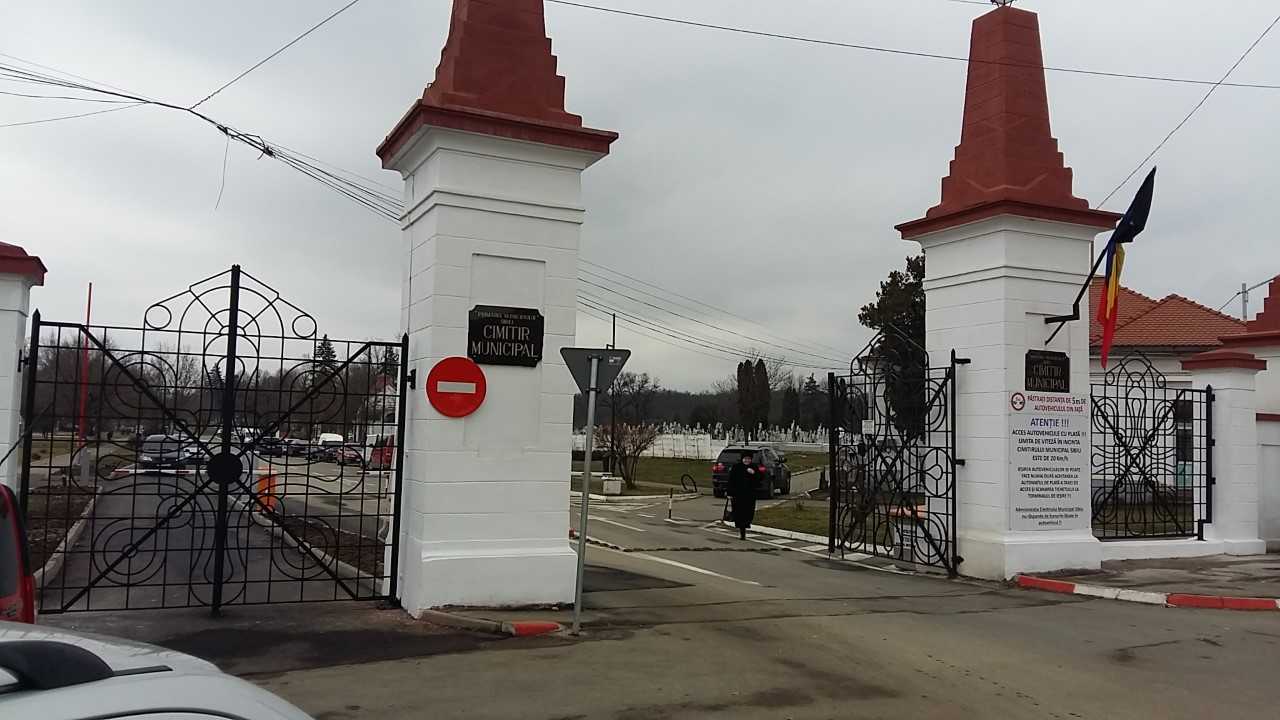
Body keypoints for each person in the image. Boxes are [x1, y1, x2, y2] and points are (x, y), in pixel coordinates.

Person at [727, 451, 758, 540]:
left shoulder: (754, 467)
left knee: (748, 513)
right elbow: (731, 480)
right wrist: (729, 493)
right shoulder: (736, 467)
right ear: (742, 459)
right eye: (745, 459)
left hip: (750, 495)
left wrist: (754, 473)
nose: (747, 460)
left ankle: (746, 525)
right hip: (738, 495)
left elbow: (760, 479)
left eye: (749, 459)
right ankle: (742, 532)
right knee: (739, 513)